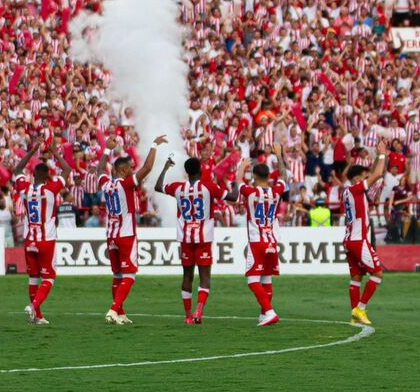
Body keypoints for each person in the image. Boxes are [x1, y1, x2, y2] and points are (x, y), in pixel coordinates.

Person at [155, 154, 237, 325]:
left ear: (186, 172)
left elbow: (158, 186)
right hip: (203, 237)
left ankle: (187, 316)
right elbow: (234, 197)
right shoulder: (208, 186)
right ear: (200, 170)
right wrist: (236, 178)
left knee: (187, 276)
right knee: (205, 276)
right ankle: (198, 312)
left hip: (185, 237)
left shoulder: (178, 187)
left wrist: (165, 168)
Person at [97, 134, 167, 325]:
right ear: (124, 169)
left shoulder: (106, 184)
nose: (132, 169)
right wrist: (154, 145)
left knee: (117, 275)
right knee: (130, 275)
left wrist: (106, 150)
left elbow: (98, 171)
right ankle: (113, 309)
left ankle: (120, 312)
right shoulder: (126, 184)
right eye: (130, 167)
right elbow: (148, 168)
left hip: (111, 235)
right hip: (126, 235)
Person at [12, 141, 74, 325]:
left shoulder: (23, 189)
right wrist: (54, 151)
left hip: (29, 239)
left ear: (32, 175)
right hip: (46, 240)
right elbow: (67, 170)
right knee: (48, 277)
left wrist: (31, 151)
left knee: (33, 278)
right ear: (47, 176)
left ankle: (37, 316)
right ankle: (34, 307)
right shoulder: (50, 189)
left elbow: (17, 171)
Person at [238, 147, 288, 327]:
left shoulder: (251, 193)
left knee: (252, 280)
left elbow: (238, 183)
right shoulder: (276, 192)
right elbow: (284, 177)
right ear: (268, 176)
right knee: (266, 279)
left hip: (256, 241)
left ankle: (269, 311)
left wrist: (242, 167)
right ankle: (263, 314)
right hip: (271, 241)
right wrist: (280, 156)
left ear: (255, 177)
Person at [342, 141, 388, 326]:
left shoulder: (348, 191)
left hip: (349, 239)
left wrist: (377, 156)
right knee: (377, 273)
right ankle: (360, 308)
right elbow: (377, 174)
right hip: (358, 240)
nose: (366, 179)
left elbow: (371, 173)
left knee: (356, 278)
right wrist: (383, 154)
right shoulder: (356, 188)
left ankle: (354, 315)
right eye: (363, 177)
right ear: (356, 179)